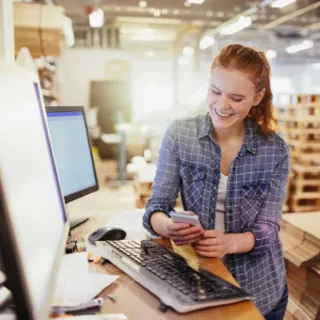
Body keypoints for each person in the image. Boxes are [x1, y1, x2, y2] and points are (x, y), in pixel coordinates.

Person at [143, 44, 289, 319]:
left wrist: (229, 243)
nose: (222, 106)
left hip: (260, 288)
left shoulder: (275, 150)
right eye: (215, 92)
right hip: (200, 278)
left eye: (236, 98)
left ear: (257, 97)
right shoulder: (179, 135)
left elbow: (270, 228)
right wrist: (168, 227)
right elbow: (156, 207)